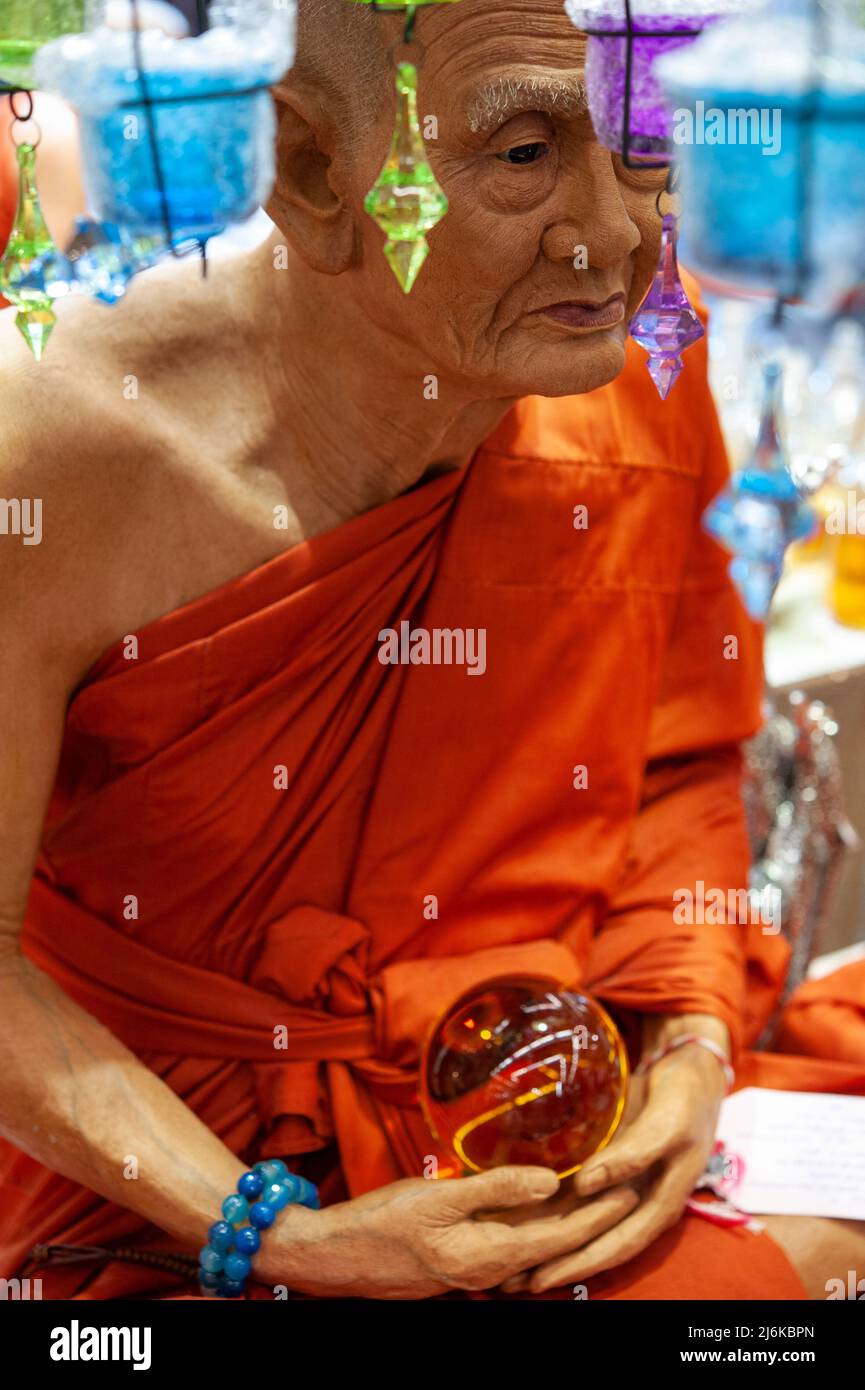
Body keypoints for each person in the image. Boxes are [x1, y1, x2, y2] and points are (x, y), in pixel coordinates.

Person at [0, 0, 863, 1301]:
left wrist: (685, 1042)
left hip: (541, 1132)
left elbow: (684, 765)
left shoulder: (629, 364)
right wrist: (276, 1234)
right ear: (307, 171)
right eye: (521, 153)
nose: (620, 232)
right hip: (160, 1191)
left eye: (636, 148)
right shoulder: (63, 453)